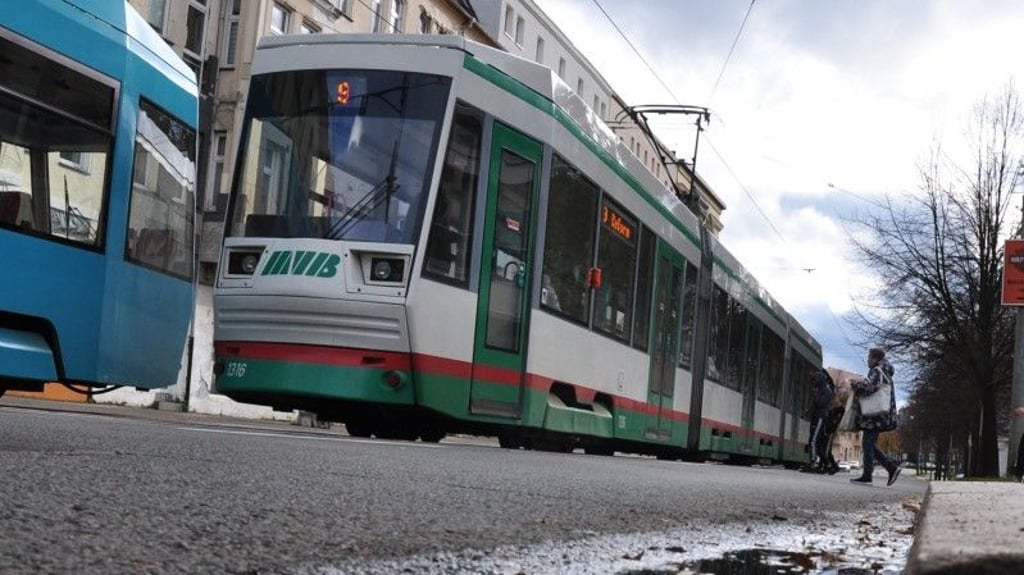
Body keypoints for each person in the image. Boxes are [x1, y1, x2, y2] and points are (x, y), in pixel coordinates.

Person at [850, 347, 901, 486]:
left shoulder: (877, 371)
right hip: (882, 414)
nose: (867, 360)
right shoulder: (885, 370)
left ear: (875, 358)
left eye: (869, 357)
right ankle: (890, 468)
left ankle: (868, 475)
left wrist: (856, 385)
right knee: (869, 444)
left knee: (867, 443)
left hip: (874, 415)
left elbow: (869, 388)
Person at [804, 367, 837, 473]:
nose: (814, 382)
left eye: (815, 379)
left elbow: (820, 403)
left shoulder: (826, 391)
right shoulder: (819, 390)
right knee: (813, 440)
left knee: (814, 440)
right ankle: (825, 464)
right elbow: (814, 405)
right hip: (816, 417)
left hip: (820, 417)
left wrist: (815, 396)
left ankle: (814, 463)